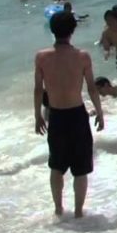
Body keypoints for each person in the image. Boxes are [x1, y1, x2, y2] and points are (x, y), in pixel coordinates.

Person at [34, 12, 105, 218]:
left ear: (52, 29)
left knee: (56, 165)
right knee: (80, 168)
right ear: (73, 30)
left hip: (55, 114)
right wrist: (100, 112)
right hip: (76, 115)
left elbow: (38, 89)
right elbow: (92, 88)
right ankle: (78, 212)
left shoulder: (42, 57)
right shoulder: (82, 56)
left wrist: (37, 115)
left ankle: (58, 208)